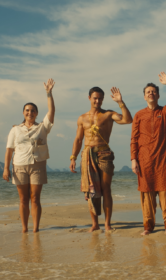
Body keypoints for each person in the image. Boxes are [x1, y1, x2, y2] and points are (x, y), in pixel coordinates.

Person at [69, 86, 132, 232]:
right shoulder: (82, 118)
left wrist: (120, 103)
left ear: (103, 99)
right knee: (91, 190)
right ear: (89, 98)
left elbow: (128, 120)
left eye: (100, 98)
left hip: (104, 155)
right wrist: (73, 157)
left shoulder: (108, 114)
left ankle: (108, 224)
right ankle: (95, 224)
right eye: (95, 98)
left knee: (106, 189)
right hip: (87, 156)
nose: (98, 101)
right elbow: (78, 140)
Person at [130, 72, 166, 237]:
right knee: (146, 195)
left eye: (153, 91)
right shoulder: (139, 115)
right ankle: (148, 226)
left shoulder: (165, 111)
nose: (151, 94)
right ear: (144, 97)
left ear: (158, 95)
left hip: (164, 161)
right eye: (148, 92)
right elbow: (134, 139)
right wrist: (133, 159)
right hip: (144, 161)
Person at [3, 78, 56, 233]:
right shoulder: (15, 129)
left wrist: (49, 93)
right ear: (23, 113)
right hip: (19, 166)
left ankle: (36, 229)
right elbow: (9, 150)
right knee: (23, 199)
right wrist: (6, 168)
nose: (30, 113)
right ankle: (24, 228)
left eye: (33, 111)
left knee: (35, 198)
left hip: (37, 165)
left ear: (36, 113)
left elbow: (51, 112)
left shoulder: (42, 127)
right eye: (27, 110)